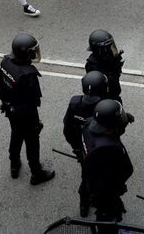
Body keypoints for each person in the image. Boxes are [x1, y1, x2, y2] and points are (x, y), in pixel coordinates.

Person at [0, 33, 56, 185]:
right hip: (26, 114)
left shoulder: (5, 62)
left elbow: (1, 86)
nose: (34, 54)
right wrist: (35, 124)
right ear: (25, 53)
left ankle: (14, 165)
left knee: (16, 135)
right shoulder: (28, 74)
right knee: (32, 143)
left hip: (10, 109)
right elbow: (33, 101)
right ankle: (36, 173)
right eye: (32, 51)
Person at [62, 71, 109, 217]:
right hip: (99, 151)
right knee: (96, 178)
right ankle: (92, 202)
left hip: (82, 149)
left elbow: (67, 129)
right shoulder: (104, 108)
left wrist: (76, 148)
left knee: (86, 175)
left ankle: (84, 204)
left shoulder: (75, 103)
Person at [81, 99, 134, 223]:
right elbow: (126, 170)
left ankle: (84, 204)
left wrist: (125, 119)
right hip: (104, 190)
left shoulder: (89, 124)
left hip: (89, 172)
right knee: (107, 214)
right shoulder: (110, 149)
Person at [85, 29, 124, 102]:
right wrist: (113, 72)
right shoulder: (93, 66)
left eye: (110, 47)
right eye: (106, 48)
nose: (109, 51)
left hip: (113, 97)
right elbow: (105, 85)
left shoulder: (108, 61)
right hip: (102, 101)